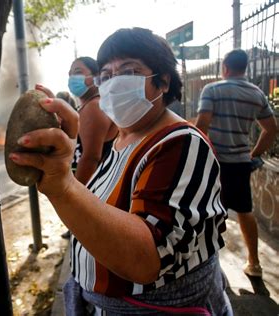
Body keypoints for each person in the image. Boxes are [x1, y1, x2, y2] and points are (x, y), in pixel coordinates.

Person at [13, 27, 232, 314]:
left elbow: (145, 259)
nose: (115, 82)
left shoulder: (181, 143)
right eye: (106, 75)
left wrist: (63, 185)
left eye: (129, 71)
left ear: (163, 82)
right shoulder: (123, 138)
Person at [195, 49, 277, 278]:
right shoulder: (257, 93)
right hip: (241, 163)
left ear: (225, 68)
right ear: (245, 68)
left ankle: (211, 263)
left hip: (215, 162)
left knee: (210, 210)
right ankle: (254, 263)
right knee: (244, 210)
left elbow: (202, 126)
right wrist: (254, 154)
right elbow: (271, 130)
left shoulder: (212, 89)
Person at [66, 56, 118, 184]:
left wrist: (74, 194)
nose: (72, 78)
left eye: (77, 72)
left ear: (96, 76)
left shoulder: (94, 107)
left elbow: (90, 158)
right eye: (70, 74)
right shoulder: (90, 105)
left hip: (92, 188)